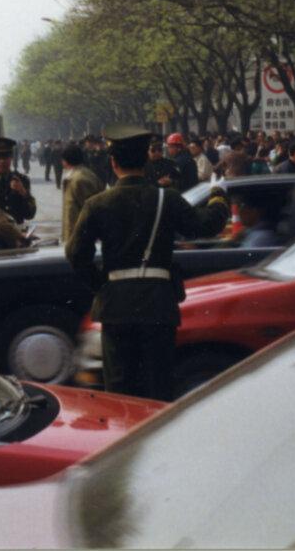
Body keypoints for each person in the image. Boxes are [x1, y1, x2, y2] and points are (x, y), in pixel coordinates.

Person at [65, 125, 228, 401]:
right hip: (158, 304)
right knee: (157, 388)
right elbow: (207, 225)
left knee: (119, 389)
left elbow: (75, 253)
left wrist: (103, 286)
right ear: (146, 161)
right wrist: (218, 194)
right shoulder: (168, 199)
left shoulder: (97, 204)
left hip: (116, 306)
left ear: (113, 162)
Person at [0, 137, 36, 225]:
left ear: (11, 157)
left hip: (16, 232)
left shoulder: (21, 180)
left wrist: (22, 192)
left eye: (5, 156)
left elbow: (30, 214)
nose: (2, 161)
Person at [61, 143, 105, 242]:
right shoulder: (82, 175)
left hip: (80, 237)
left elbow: (90, 210)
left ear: (65, 160)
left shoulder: (79, 179)